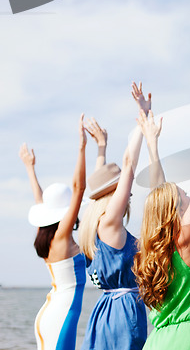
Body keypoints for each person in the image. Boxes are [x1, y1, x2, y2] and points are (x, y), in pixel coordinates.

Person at [133, 104, 190, 350]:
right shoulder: (186, 243)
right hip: (187, 342)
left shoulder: (157, 253)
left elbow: (157, 195)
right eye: (184, 193)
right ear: (177, 210)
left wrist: (152, 143)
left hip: (157, 342)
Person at [79, 82, 151, 350]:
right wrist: (142, 123)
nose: (128, 194)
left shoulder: (93, 226)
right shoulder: (111, 223)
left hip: (103, 312)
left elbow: (97, 188)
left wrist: (101, 148)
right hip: (124, 313)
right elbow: (130, 165)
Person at [20, 114, 87, 350]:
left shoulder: (46, 234)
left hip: (51, 311)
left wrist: (30, 168)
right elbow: (79, 189)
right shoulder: (62, 235)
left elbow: (38, 200)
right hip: (61, 314)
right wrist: (81, 148)